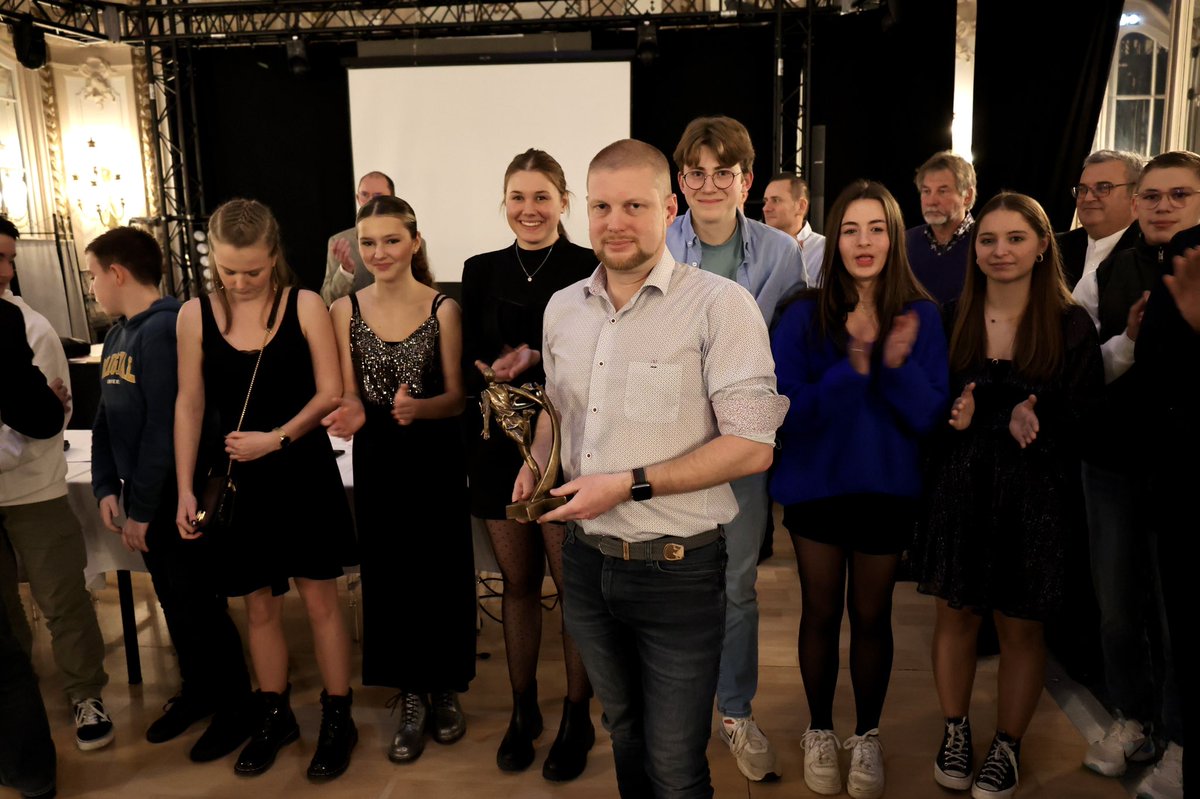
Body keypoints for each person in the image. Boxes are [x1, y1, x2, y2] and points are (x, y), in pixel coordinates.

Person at [519, 138, 788, 798]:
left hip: (679, 567)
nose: (615, 222)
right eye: (602, 206)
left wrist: (629, 482)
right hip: (585, 563)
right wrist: (533, 461)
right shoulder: (562, 308)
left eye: (635, 205)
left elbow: (753, 446)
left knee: (674, 762)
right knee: (625, 730)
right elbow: (558, 411)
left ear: (668, 208)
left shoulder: (720, 306)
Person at [912, 193, 1103, 799]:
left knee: (1021, 628)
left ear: (1044, 244)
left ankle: (1008, 745)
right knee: (956, 616)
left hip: (1036, 498)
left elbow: (1085, 421)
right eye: (989, 239)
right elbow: (926, 413)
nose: (1000, 251)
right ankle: (956, 730)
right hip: (960, 492)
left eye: (1016, 238)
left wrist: (1037, 419)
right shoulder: (948, 316)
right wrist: (954, 417)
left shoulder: (1072, 323)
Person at [771, 180, 949, 799]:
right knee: (820, 612)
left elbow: (929, 417)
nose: (864, 241)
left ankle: (866, 735)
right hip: (818, 488)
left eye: (876, 228)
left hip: (887, 489)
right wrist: (857, 361)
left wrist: (892, 365)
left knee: (872, 615)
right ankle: (820, 730)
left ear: (894, 238)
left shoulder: (921, 314)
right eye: (851, 229)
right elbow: (787, 411)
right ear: (834, 238)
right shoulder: (802, 311)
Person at [174, 199, 358, 779]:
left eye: (252, 270)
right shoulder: (194, 315)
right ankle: (274, 713)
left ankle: (338, 715)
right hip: (238, 481)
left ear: (274, 256)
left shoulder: (303, 304)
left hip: (299, 471)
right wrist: (184, 487)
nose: (241, 282)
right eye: (228, 271)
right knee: (257, 606)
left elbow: (330, 391)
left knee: (322, 601)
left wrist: (275, 440)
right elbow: (190, 403)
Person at [665, 115, 806, 784]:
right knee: (673, 584)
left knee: (737, 586)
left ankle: (736, 709)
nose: (711, 183)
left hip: (744, 447)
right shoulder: (658, 244)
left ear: (747, 180)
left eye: (725, 172)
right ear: (681, 179)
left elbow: (782, 355)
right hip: (669, 448)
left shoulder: (781, 253)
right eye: (698, 171)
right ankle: (678, 713)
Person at [86, 226, 255, 762]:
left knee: (199, 604)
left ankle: (235, 706)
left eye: (93, 275)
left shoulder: (164, 330)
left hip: (172, 497)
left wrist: (141, 508)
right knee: (175, 604)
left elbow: (166, 424)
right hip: (139, 495)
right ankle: (199, 692)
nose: (92, 287)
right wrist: (104, 485)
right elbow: (104, 421)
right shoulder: (116, 335)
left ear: (117, 273)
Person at [323, 196, 476, 765]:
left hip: (434, 457)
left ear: (414, 242)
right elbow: (348, 395)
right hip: (380, 459)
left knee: (440, 569)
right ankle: (409, 695)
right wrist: (354, 412)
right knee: (390, 574)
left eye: (391, 240)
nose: (379, 252)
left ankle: (444, 690)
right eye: (369, 243)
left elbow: (457, 397)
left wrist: (421, 410)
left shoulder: (444, 309)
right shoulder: (345, 310)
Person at [460, 149, 597, 780]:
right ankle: (523, 712)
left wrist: (532, 360)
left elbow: (597, 356)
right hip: (496, 446)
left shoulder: (589, 267)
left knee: (573, 591)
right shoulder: (479, 269)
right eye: (517, 197)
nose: (529, 209)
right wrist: (488, 371)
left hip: (570, 445)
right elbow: (465, 365)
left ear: (564, 202)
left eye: (542, 197)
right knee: (517, 585)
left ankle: (576, 713)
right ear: (504, 203)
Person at [1072, 151, 1192, 798]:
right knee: (1117, 606)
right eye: (1152, 195)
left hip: (1183, 470)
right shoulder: (1105, 266)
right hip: (1114, 462)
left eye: (1179, 194)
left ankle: (1178, 739)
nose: (1162, 206)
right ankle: (1134, 718)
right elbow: (1076, 356)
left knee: (1180, 615)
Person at [0, 217, 113, 753]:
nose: (6, 270)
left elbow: (45, 420)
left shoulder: (29, 326)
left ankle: (85, 693)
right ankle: (18, 698)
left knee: (61, 595)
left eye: (10, 258)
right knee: (3, 607)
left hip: (33, 487)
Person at [0, 296, 65, 799]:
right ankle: (30, 774)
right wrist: (48, 402)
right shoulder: (4, 320)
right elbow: (38, 416)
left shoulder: (23, 321)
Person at [1056, 150, 1144, 291]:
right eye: (1082, 189)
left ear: (1135, 195)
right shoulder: (1056, 248)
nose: (1088, 198)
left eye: (1103, 188)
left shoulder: (1148, 253)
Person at [905, 151, 977, 305]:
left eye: (942, 191)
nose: (931, 201)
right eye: (926, 191)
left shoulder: (985, 241)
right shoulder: (905, 242)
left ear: (967, 196)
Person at [320, 171, 394, 305]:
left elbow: (424, 291)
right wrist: (346, 271)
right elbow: (328, 300)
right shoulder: (340, 242)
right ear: (357, 198)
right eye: (364, 195)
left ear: (392, 199)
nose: (370, 201)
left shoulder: (410, 240)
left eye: (378, 196)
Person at [763, 173, 826, 287]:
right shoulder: (756, 247)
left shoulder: (823, 249)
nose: (766, 208)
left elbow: (826, 298)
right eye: (765, 201)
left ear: (801, 206)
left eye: (776, 200)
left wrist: (795, 267)